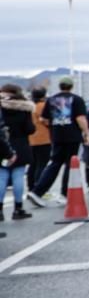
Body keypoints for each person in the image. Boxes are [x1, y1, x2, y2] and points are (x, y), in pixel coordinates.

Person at [32, 78, 89, 204]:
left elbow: (43, 119)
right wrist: (87, 134)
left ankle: (37, 191)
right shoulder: (77, 99)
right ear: (71, 86)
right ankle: (65, 194)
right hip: (73, 135)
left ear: (59, 86)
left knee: (55, 163)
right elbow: (80, 118)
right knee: (71, 165)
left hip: (57, 136)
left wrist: (54, 126)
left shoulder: (51, 100)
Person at [1, 83, 34, 221]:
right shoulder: (24, 108)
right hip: (20, 144)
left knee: (2, 176)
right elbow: (30, 129)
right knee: (18, 176)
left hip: (2, 144)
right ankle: (18, 208)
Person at [25, 87, 51, 205]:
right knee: (42, 164)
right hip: (43, 138)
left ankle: (31, 188)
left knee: (33, 164)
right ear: (43, 95)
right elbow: (46, 120)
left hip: (31, 139)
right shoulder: (42, 106)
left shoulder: (29, 106)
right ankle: (38, 188)